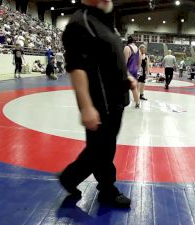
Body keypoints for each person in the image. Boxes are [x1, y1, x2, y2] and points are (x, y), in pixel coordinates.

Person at [59, 0, 136, 208]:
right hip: (99, 100)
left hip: (115, 98)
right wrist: (86, 106)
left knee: (103, 146)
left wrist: (126, 75)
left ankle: (71, 178)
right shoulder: (79, 22)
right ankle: (106, 189)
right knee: (100, 147)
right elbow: (77, 67)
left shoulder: (103, 21)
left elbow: (110, 56)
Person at [124, 36, 141, 108]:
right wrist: (137, 70)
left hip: (128, 70)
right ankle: (137, 103)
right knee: (134, 88)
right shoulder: (138, 49)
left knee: (123, 86)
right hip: (135, 70)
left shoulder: (127, 48)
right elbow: (139, 62)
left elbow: (125, 61)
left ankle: (122, 102)